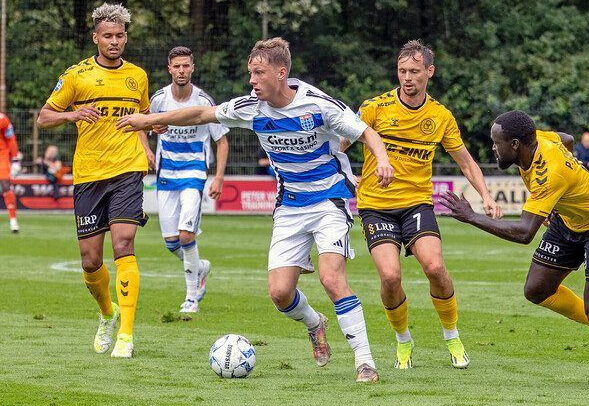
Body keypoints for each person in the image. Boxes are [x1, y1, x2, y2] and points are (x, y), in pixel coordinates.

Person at [117, 37, 394, 383]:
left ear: (280, 73)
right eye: (251, 73)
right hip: (290, 206)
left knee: (331, 277)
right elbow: (202, 113)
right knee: (280, 293)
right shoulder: (251, 107)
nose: (252, 81)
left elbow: (367, 132)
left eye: (258, 73)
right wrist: (150, 120)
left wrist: (382, 159)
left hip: (329, 201)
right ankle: (314, 323)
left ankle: (364, 361)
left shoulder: (317, 104)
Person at [439, 110, 589, 388]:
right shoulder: (538, 139)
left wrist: (471, 216)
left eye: (496, 142)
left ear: (514, 145)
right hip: (568, 221)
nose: (493, 148)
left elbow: (525, 233)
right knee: (537, 290)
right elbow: (567, 138)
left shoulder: (549, 174)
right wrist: (567, 189)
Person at [345, 40, 501, 370]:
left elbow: (466, 161)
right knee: (390, 277)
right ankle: (403, 341)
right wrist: (344, 175)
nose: (407, 78)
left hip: (416, 203)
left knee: (434, 267)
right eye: (402, 71)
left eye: (414, 71)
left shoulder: (440, 116)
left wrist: (485, 196)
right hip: (375, 205)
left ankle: (452, 335)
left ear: (429, 72)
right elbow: (338, 143)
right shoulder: (375, 107)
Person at [36, 3, 154, 358]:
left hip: (127, 170)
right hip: (88, 174)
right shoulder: (77, 76)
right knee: (90, 261)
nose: (114, 41)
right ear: (95, 38)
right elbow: (43, 118)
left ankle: (127, 336)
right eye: (108, 36)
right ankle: (108, 313)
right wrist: (73, 114)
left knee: (123, 245)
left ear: (126, 37)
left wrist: (147, 144)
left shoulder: (138, 76)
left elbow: (143, 117)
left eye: (119, 36)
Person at [149, 46, 229, 314]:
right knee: (171, 242)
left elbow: (222, 141)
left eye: (186, 66)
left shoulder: (204, 102)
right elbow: (143, 125)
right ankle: (201, 267)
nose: (181, 71)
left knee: (186, 235)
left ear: (192, 68)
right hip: (166, 174)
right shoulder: (159, 99)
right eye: (177, 66)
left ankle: (191, 297)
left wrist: (218, 177)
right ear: (169, 68)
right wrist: (148, 145)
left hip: (194, 174)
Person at [0, 111, 20, 233]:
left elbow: (10, 138)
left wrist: (15, 159)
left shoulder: (2, 119)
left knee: (5, 185)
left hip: (1, 155)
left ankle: (13, 221)